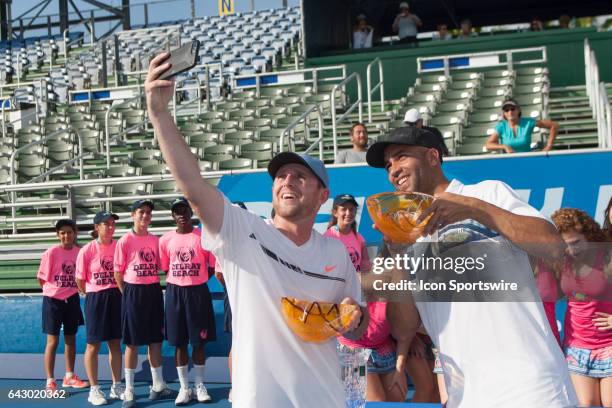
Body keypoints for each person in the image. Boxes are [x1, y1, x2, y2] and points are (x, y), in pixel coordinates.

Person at [144, 52, 368, 407]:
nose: (286, 181)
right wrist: (159, 113)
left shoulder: (336, 252)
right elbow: (192, 185)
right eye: (280, 176)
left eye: (299, 176)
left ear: (322, 194)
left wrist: (352, 316)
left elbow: (357, 321)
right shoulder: (241, 230)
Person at [365, 125, 577, 407]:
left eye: (401, 156)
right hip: (466, 396)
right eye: (388, 165)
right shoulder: (409, 236)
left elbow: (552, 245)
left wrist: (474, 209)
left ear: (432, 157)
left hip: (531, 389)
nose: (393, 170)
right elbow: (403, 329)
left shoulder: (487, 193)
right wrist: (398, 253)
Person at [324, 193, 408, 402]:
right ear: (335, 212)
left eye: (352, 209)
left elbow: (366, 268)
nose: (348, 213)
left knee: (397, 398)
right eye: (343, 209)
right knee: (369, 401)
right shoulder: (327, 238)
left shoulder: (359, 239)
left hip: (368, 314)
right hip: (348, 325)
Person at [114, 199, 174, 408]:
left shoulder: (155, 240)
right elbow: (118, 272)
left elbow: (161, 265)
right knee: (132, 343)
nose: (145, 216)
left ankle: (158, 385)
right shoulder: (125, 241)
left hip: (153, 291)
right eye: (141, 212)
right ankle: (129, 390)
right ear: (133, 215)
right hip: (133, 291)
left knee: (155, 340)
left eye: (148, 212)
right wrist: (128, 293)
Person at [551, 208, 612, 408]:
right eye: (565, 245)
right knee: (586, 404)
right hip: (576, 348)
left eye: (576, 243)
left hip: (609, 346)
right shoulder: (561, 261)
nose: (571, 250)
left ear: (589, 235)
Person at [159, 198, 217, 405]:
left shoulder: (204, 237)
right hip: (175, 293)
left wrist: (195, 279)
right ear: (173, 216)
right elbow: (166, 268)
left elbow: (210, 267)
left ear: (191, 212)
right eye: (177, 211)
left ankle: (200, 385)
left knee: (199, 342)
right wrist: (181, 280)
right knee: (179, 343)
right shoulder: (165, 240)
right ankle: (184, 388)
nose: (181, 214)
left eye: (184, 210)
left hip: (198, 293)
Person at [76, 211, 124, 405]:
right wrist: (92, 294)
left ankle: (117, 385)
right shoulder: (86, 250)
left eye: (113, 223)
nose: (111, 227)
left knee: (115, 343)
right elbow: (80, 280)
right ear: (97, 227)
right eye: (106, 224)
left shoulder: (119, 246)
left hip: (116, 295)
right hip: (95, 297)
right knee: (93, 345)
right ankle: (94, 390)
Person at [38, 219, 89, 392]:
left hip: (72, 299)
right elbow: (41, 278)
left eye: (69, 232)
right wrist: (54, 292)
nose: (66, 235)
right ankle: (50, 381)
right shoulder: (51, 252)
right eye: (62, 233)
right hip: (52, 301)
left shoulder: (80, 252)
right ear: (58, 235)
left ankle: (69, 376)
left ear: (74, 233)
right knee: (52, 341)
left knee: (71, 338)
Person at [215, 201, 248, 403]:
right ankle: (235, 386)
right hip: (234, 296)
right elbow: (219, 273)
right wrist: (233, 284)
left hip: (254, 298)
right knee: (236, 343)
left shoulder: (254, 239)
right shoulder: (223, 242)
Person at [485, 99, 559, 153]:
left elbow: (554, 125)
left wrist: (548, 146)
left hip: (526, 161)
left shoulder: (528, 122)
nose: (510, 112)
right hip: (509, 163)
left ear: (518, 110)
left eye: (512, 109)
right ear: (504, 113)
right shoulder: (501, 126)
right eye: (506, 110)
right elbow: (488, 145)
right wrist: (505, 146)